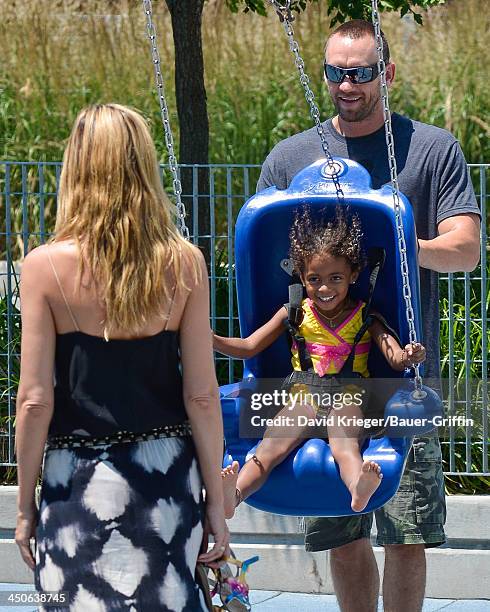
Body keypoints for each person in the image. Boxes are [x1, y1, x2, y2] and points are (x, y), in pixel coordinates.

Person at [255, 19, 480, 612]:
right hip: (319, 381)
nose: (346, 84)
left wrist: (398, 243)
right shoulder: (291, 158)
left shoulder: (431, 150)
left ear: (388, 73)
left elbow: (466, 247)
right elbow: (269, 264)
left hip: (400, 383)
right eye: (335, 72)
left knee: (405, 534)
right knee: (341, 529)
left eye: (360, 72)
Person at [14, 103, 229, 611]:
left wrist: (25, 508)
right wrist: (216, 504)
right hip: (167, 481)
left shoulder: (43, 268)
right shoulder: (184, 263)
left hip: (77, 481)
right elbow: (201, 395)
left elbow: (34, 401)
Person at [216, 206, 426, 516]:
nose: (325, 288)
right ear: (301, 276)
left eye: (335, 278)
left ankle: (358, 487)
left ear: (353, 275)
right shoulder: (295, 312)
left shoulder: (365, 315)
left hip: (350, 396)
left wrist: (408, 356)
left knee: (344, 443)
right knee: (269, 448)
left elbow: (394, 358)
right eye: (314, 279)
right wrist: (209, 338)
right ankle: (234, 494)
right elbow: (249, 347)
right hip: (303, 396)